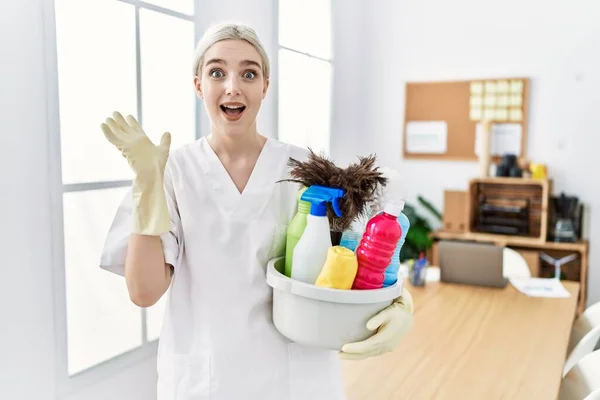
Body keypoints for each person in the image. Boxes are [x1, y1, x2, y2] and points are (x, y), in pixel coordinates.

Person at [99, 22, 413, 400]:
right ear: (198, 84)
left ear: (265, 86)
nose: (233, 86)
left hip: (297, 377)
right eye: (217, 72)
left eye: (249, 73)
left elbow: (368, 253)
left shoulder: (307, 170)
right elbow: (145, 291)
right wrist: (148, 187)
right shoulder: (170, 172)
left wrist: (399, 302)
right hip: (206, 380)